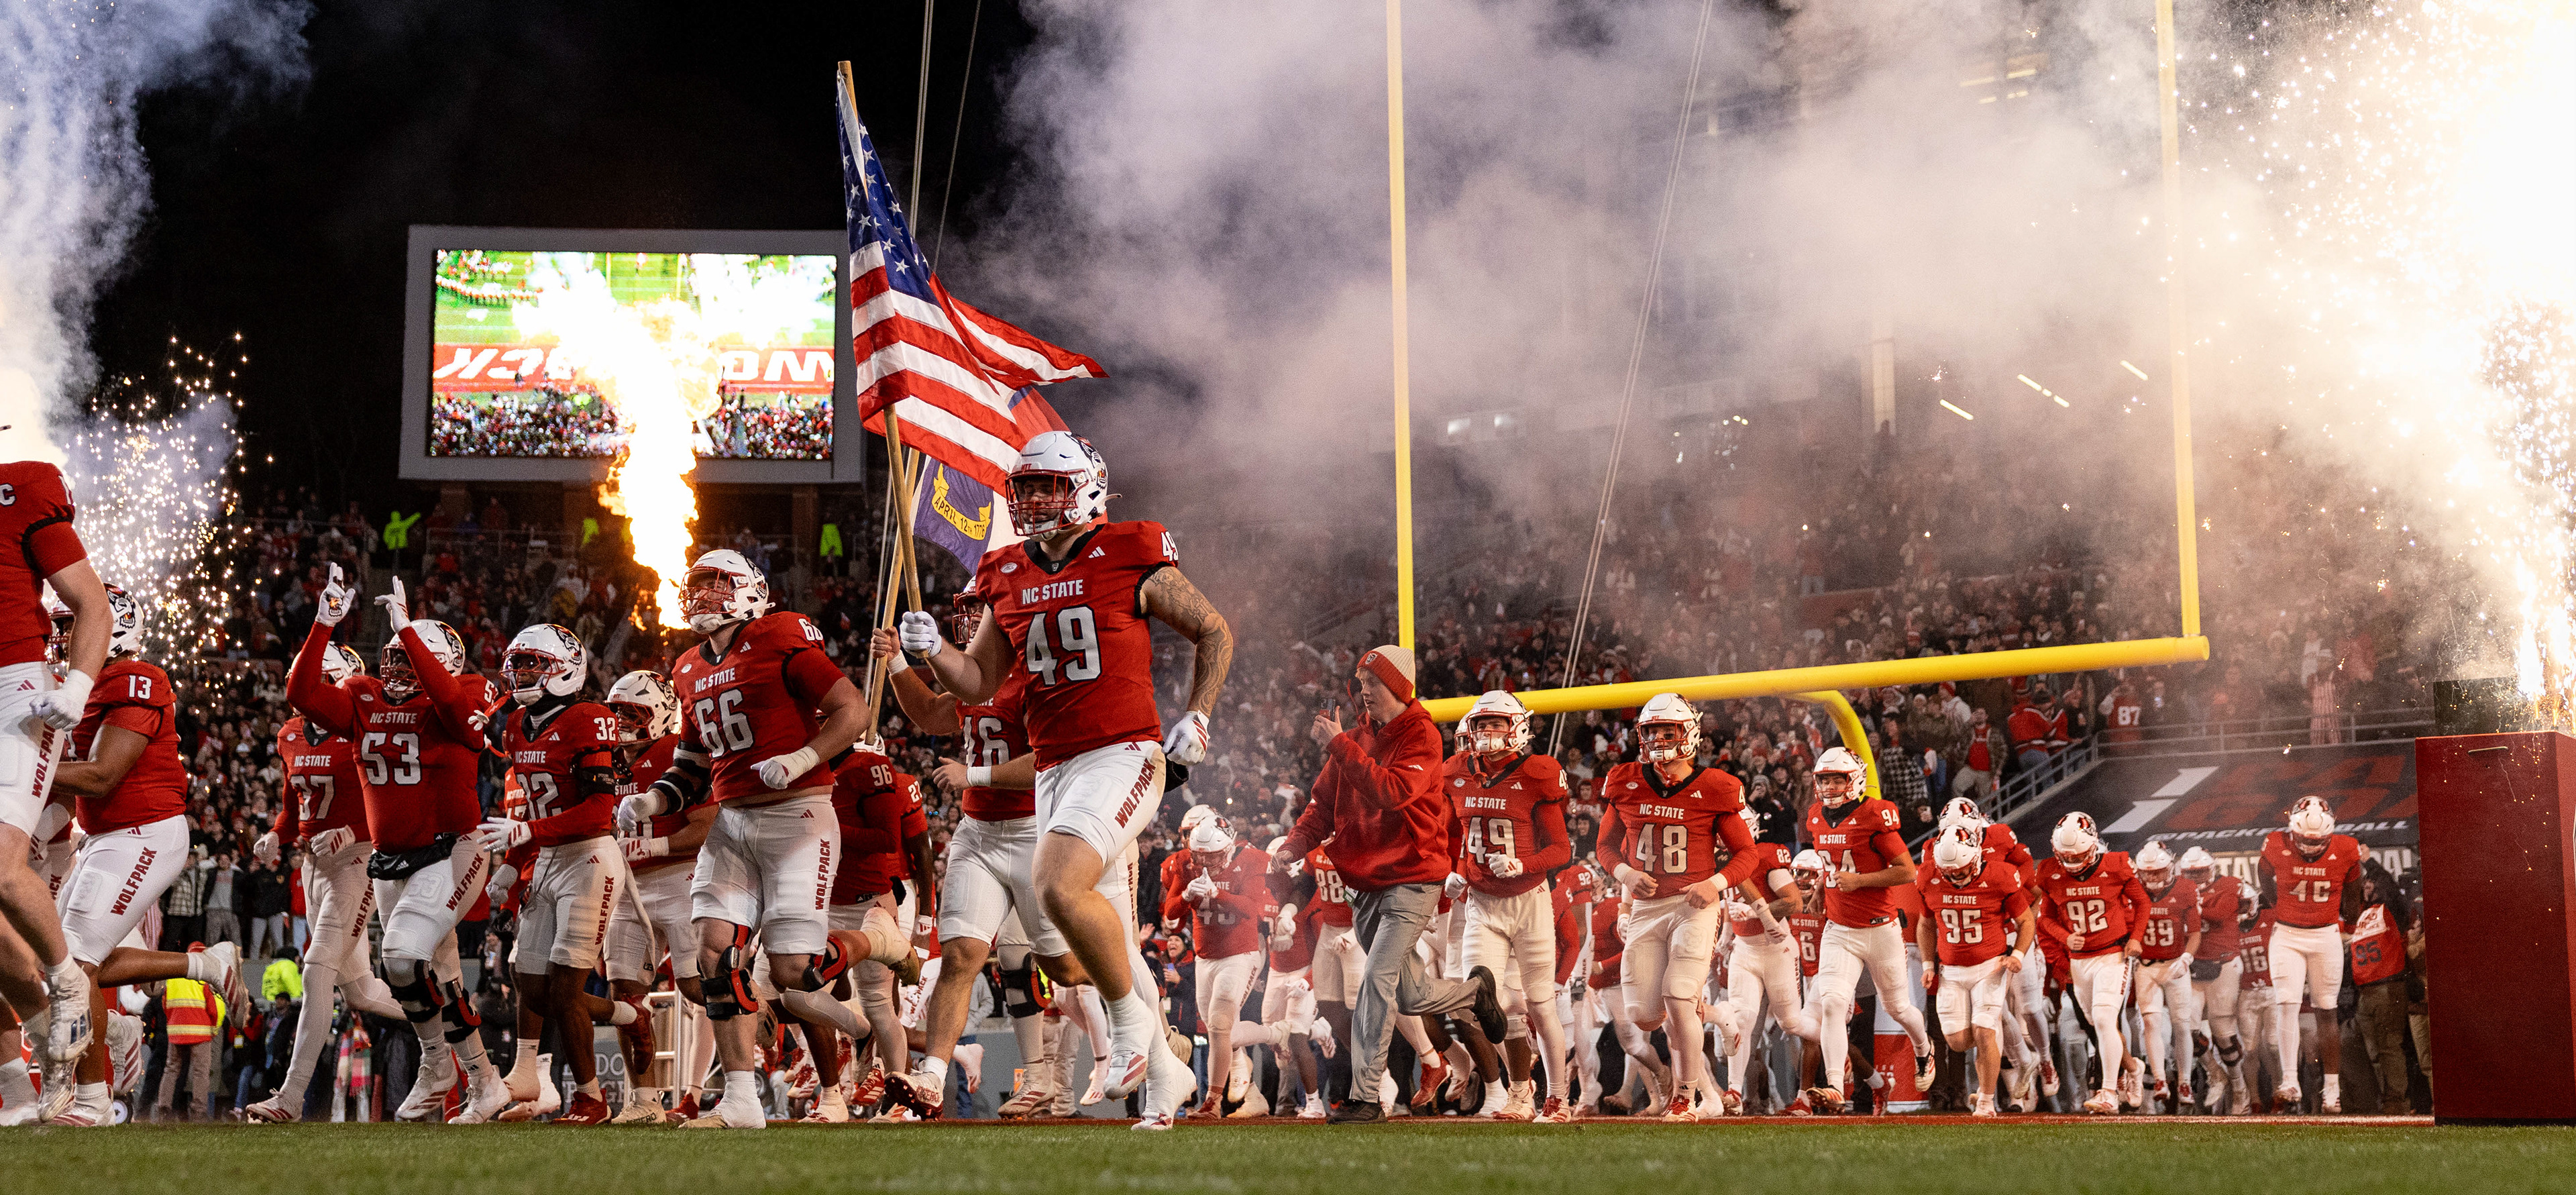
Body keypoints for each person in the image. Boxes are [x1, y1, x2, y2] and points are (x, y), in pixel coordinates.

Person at [900, 432, 1234, 1131]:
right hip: (1055, 766)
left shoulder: (1129, 549)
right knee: (1086, 925)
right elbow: (980, 680)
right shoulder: (1007, 570)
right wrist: (934, 653)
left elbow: (1213, 629)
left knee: (1055, 882)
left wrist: (1198, 717)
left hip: (1122, 752)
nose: (1030, 500)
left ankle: (1127, 1038)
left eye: (1046, 485)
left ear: (1084, 486)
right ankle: (1168, 1072)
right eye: (1023, 487)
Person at [611, 550, 867, 1130]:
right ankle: (742, 1101)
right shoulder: (686, 667)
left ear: (752, 589)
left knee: (794, 972)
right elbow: (694, 760)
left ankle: (875, 956)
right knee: (713, 959)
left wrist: (804, 756)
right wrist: (653, 801)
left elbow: (853, 710)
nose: (702, 596)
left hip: (798, 814)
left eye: (716, 585)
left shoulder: (780, 633)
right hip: (731, 821)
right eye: (696, 586)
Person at [287, 566, 510, 1122]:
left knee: (402, 957)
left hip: (453, 847)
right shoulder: (364, 696)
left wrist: (410, 631)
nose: (394, 668)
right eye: (389, 657)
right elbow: (301, 692)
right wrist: (323, 624)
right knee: (441, 972)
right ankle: (483, 1081)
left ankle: (436, 1063)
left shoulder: (471, 692)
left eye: (406, 658)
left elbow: (462, 719)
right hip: (391, 858)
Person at [43, 583, 246, 1127]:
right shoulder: (81, 683)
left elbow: (103, 773)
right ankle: (206, 963)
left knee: (76, 964)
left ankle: (89, 1099)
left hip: (144, 832)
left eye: (70, 624)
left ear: (111, 627)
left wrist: (23, 777)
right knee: (65, 962)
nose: (60, 636)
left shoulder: (137, 678)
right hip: (108, 835)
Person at [1274, 645, 1504, 1125]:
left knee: (1377, 982)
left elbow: (1392, 791)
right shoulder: (1356, 737)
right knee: (1410, 996)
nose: (1364, 691)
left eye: (1373, 683)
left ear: (1399, 684)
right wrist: (1293, 846)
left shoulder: (1422, 734)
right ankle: (1473, 993)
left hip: (1413, 878)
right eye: (1361, 683)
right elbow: (1321, 806)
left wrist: (1340, 744)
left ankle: (1365, 1096)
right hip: (1366, 884)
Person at [871, 592, 1065, 1121]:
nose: (971, 625)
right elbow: (933, 713)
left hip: (1031, 830)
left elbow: (1047, 760)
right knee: (960, 956)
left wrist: (972, 774)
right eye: (968, 617)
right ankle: (933, 1075)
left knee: (1064, 967)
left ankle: (1144, 1017)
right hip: (978, 832)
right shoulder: (971, 680)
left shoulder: (1037, 675)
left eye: (982, 616)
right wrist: (895, 664)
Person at [473, 623, 632, 1125]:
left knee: (564, 990)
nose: (520, 673)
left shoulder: (589, 717)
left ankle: (590, 1096)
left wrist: (527, 835)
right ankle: (628, 1018)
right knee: (529, 979)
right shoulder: (517, 724)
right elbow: (529, 804)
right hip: (546, 855)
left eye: (532, 664)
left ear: (565, 669)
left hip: (588, 855)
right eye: (517, 663)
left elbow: (598, 810)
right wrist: (514, 864)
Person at [242, 642, 407, 1123]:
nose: (301, 690)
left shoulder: (363, 726)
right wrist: (276, 835)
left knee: (316, 971)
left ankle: (290, 1098)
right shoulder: (291, 733)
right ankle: (448, 1026)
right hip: (313, 865)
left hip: (359, 858)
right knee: (359, 990)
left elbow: (395, 802)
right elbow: (293, 808)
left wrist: (354, 831)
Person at [1597, 694, 1778, 1121]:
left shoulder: (1715, 785)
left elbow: (1746, 855)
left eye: (1668, 730)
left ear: (1689, 734)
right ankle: (1711, 1013)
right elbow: (1605, 846)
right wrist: (1625, 875)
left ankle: (1686, 1096)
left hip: (1693, 906)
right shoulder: (1625, 780)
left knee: (1678, 996)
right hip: (1645, 908)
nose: (1659, 739)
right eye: (1652, 731)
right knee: (1644, 1014)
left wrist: (1714, 883)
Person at [0, 460, 112, 1093]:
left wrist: (77, 680)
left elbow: (89, 601)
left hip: (15, 688)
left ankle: (68, 982)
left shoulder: (20, 485)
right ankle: (28, 1076)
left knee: (1, 865)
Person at [1442, 690, 1577, 1123]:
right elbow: (1450, 834)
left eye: (1497, 724)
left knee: (1538, 1004)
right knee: (1476, 999)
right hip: (1481, 903)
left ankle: (1556, 1098)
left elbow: (1561, 849)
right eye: (1481, 725)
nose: (1487, 733)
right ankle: (1521, 1088)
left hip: (1529, 902)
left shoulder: (1539, 773)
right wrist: (1456, 867)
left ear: (1517, 728)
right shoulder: (1456, 772)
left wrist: (1524, 862)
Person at [601, 669, 714, 1125]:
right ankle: (644, 1101)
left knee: (695, 985)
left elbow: (709, 825)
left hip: (682, 878)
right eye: (617, 711)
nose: (622, 721)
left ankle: (758, 1025)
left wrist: (657, 845)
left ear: (662, 715)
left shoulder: (677, 753)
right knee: (625, 993)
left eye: (633, 712)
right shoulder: (604, 757)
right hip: (628, 887)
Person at [1801, 744, 1935, 1113]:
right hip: (1839, 929)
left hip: (1880, 928)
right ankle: (1832, 1086)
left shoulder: (1874, 815)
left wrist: (1859, 881)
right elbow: (1831, 867)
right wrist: (1818, 891)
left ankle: (1924, 1049)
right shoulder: (1815, 816)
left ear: (1856, 780)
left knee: (1899, 1008)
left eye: (1837, 779)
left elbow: (1907, 871)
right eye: (1824, 779)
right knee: (1831, 1002)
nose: (1828, 787)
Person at [1913, 823, 2035, 1117]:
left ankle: (1985, 1101)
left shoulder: (1999, 876)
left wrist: (2017, 954)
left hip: (1990, 967)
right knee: (1958, 1042)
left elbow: (2026, 921)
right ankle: (2009, 1070)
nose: (1955, 876)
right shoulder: (1928, 876)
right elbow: (1926, 924)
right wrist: (1929, 963)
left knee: (1984, 1030)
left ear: (1977, 857)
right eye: (1949, 871)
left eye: (1961, 869)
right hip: (1951, 970)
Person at [2031, 811, 2147, 1115]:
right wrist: (2065, 937)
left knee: (2106, 1019)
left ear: (2093, 845)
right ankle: (2134, 1068)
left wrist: (2136, 938)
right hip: (2079, 960)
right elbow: (2045, 920)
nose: (2070, 861)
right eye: (2065, 855)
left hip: (2113, 953)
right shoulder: (2048, 871)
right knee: (2099, 1025)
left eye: (2077, 854)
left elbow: (2143, 902)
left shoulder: (2115, 865)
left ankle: (2108, 1091)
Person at [2259, 794, 2366, 1112]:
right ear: (2292, 829)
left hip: (2325, 935)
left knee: (2326, 1009)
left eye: (2318, 839)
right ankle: (2290, 1079)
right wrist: (2277, 906)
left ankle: (2331, 1090)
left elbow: (2352, 893)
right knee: (2288, 1003)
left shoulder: (2347, 848)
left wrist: (2348, 925)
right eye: (2305, 838)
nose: (2310, 845)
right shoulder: (2275, 844)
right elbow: (2265, 878)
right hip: (2288, 935)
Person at [1168, 815, 1270, 1119]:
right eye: (1201, 855)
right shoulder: (1186, 864)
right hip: (1205, 957)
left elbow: (1252, 909)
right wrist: (1186, 894)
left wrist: (1217, 894)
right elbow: (1171, 912)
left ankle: (1212, 1102)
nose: (1206, 861)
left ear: (1228, 847)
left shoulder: (1250, 859)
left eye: (1212, 855)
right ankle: (1273, 1034)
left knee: (1220, 1024)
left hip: (1241, 953)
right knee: (1218, 1031)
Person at [1716, 804, 1812, 1116]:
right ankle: (1733, 1090)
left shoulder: (1768, 855)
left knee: (1791, 1023)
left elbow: (1794, 902)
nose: (1722, 840)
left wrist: (1759, 912)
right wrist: (1727, 934)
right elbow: (1732, 901)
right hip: (1744, 950)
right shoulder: (1721, 859)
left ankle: (1829, 1037)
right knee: (1742, 1019)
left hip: (1777, 951)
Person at [2179, 845, 2253, 1113]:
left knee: (2224, 1034)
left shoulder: (2230, 884)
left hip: (2223, 962)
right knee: (2186, 1028)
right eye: (2190, 873)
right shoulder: (2180, 889)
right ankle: (2214, 1072)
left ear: (2212, 869)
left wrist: (2189, 906)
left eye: (2200, 873)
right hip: (2193, 965)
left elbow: (2219, 914)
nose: (2196, 878)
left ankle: (2240, 1087)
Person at [2131, 841, 2201, 1112]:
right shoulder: (2133, 890)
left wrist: (2187, 957)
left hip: (2174, 965)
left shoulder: (2185, 888)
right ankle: (2160, 1079)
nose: (2151, 877)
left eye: (2157, 871)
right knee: (2151, 1023)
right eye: (2146, 873)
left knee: (2182, 1025)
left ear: (2170, 868)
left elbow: (2194, 932)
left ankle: (2184, 1082)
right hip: (2146, 966)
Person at [2347, 858, 2415, 1112]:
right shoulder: (2363, 914)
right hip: (2366, 992)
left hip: (2389, 987)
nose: (2366, 884)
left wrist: (2369, 862)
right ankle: (2388, 1098)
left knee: (2389, 1047)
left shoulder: (2393, 909)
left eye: (2371, 882)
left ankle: (2398, 1100)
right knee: (2375, 1051)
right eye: (2365, 881)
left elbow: (2390, 887)